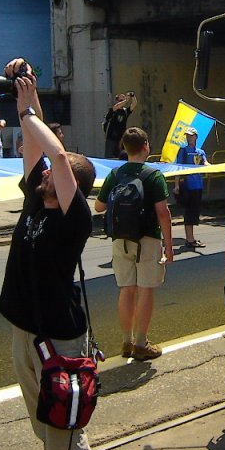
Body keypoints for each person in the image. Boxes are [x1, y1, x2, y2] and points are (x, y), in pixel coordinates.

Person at [0, 57, 100, 450]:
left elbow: (56, 154)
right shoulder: (37, 203)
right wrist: (28, 93)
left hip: (59, 338)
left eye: (53, 179)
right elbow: (37, 153)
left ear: (72, 186)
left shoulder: (74, 219)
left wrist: (27, 114)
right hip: (26, 330)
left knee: (63, 434)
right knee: (47, 428)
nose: (42, 180)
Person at [93, 127, 173, 361]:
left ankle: (127, 341)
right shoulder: (153, 175)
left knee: (126, 289)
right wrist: (169, 246)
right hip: (147, 238)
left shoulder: (115, 174)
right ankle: (141, 343)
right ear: (146, 146)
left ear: (124, 148)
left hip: (121, 239)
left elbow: (99, 207)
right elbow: (163, 213)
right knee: (146, 289)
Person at [173, 127, 209, 248]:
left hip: (198, 186)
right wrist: (176, 185)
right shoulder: (183, 150)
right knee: (189, 213)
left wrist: (217, 167)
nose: (189, 138)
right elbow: (178, 167)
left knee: (194, 213)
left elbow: (205, 163)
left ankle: (191, 238)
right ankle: (189, 239)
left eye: (191, 135)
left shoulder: (200, 152)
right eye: (187, 136)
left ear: (196, 137)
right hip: (188, 186)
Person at [101, 91, 137, 159]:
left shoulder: (125, 111)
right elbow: (116, 107)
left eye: (123, 100)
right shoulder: (113, 110)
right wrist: (126, 100)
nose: (122, 102)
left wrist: (132, 96)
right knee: (109, 157)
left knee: (121, 157)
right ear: (117, 101)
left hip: (121, 139)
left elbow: (134, 105)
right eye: (120, 100)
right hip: (111, 138)